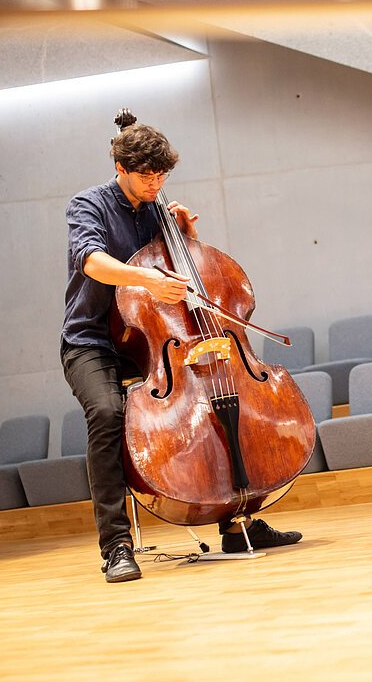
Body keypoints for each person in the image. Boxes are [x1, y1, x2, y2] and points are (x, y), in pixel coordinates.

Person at [61, 114, 301, 583]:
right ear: (120, 166)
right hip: (92, 340)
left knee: (214, 400)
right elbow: (92, 262)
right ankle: (115, 546)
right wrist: (147, 278)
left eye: (162, 176)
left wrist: (185, 239)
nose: (155, 184)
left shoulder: (157, 211)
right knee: (107, 415)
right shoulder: (86, 205)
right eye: (146, 176)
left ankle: (238, 521)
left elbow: (188, 285)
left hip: (158, 343)